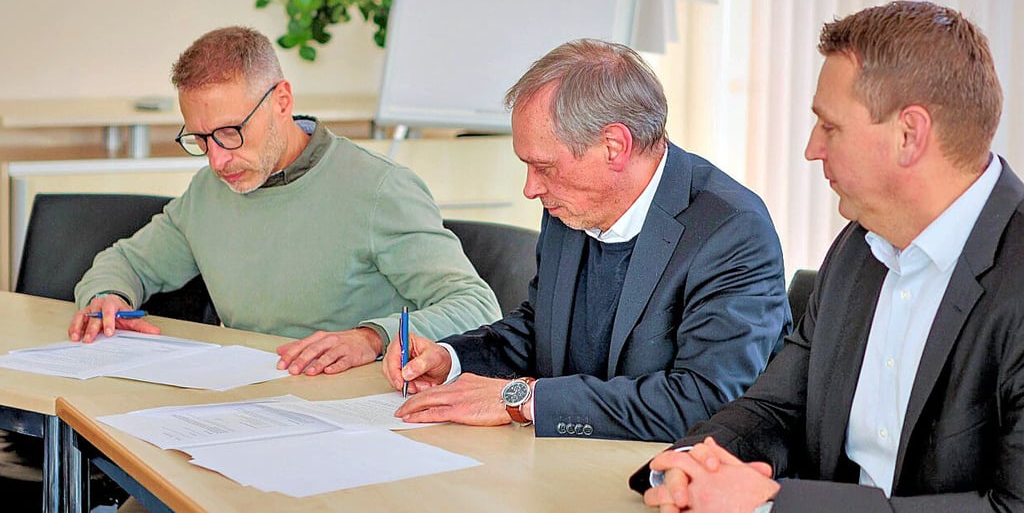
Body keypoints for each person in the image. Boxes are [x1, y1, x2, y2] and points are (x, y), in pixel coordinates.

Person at [633, 0, 1024, 512]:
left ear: (910, 135)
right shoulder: (858, 246)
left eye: (830, 126)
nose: (812, 148)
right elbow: (775, 410)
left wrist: (775, 504)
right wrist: (687, 467)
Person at [381, 39, 790, 443]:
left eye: (542, 166)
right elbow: (539, 330)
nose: (530, 188)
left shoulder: (731, 231)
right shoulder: (570, 204)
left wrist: (522, 400)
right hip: (563, 462)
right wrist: (451, 359)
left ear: (614, 146)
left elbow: (704, 401)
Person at [65, 26, 501, 376]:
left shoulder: (380, 190)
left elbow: (477, 307)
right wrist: (107, 297)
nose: (217, 160)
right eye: (200, 139)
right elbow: (128, 262)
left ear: (282, 101)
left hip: (356, 419)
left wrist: (371, 338)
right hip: (246, 406)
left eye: (231, 133)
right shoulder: (209, 193)